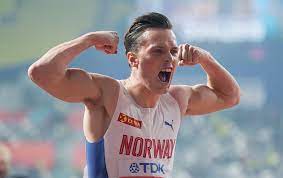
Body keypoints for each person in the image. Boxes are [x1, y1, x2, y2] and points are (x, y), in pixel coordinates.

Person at [28, 12, 240, 178]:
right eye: (158, 51)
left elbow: (230, 97)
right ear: (133, 59)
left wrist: (206, 59)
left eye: (173, 52)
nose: (169, 59)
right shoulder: (108, 93)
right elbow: (41, 73)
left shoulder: (177, 100)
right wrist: (89, 39)